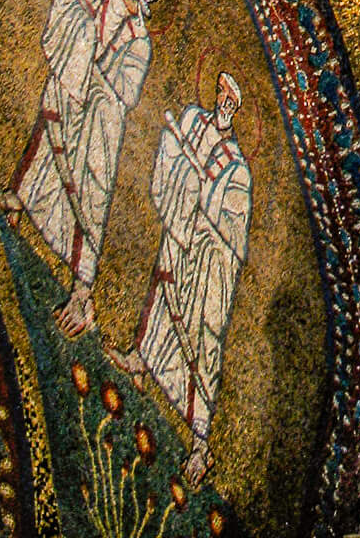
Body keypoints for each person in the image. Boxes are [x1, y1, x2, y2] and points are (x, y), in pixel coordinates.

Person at [0, 0, 160, 335]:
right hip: (72, 88)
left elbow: (126, 92)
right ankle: (18, 199)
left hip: (99, 117)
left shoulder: (141, 39)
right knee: (47, 142)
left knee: (89, 193)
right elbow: (72, 12)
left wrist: (91, 70)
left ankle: (83, 288)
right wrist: (75, 15)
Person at [115, 72, 252, 487]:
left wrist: (208, 202)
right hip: (180, 234)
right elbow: (170, 155)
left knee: (202, 342)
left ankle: (200, 442)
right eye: (222, 94)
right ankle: (141, 359)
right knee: (161, 297)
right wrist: (183, 178)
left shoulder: (239, 169)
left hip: (207, 263)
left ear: (238, 109)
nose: (224, 103)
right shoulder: (192, 120)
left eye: (232, 100)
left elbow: (234, 231)